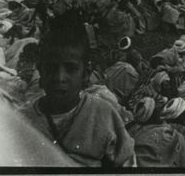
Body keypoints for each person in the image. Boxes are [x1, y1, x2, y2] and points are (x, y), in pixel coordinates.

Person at [19, 18, 135, 167]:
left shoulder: (103, 114)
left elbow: (126, 164)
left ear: (86, 74)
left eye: (71, 69)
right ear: (41, 71)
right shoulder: (23, 120)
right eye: (51, 68)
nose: (60, 78)